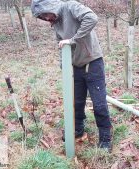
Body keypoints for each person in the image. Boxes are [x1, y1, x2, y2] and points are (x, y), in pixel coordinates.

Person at [31, 0, 112, 151]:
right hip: (75, 66)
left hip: (93, 62)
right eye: (43, 17)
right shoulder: (55, 22)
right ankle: (78, 129)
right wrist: (64, 66)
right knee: (77, 102)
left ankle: (106, 137)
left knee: (99, 104)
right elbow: (61, 44)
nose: (47, 18)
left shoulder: (71, 6)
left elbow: (92, 18)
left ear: (50, 6)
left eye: (45, 14)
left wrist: (73, 40)